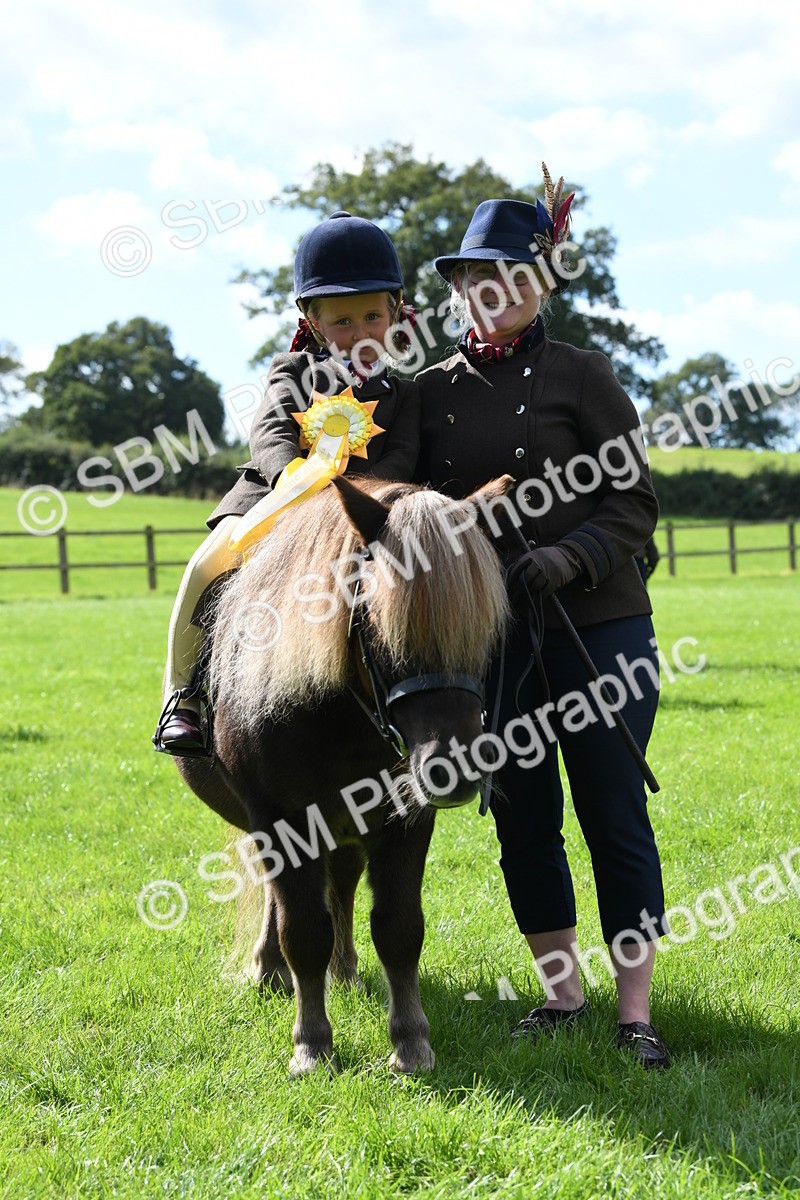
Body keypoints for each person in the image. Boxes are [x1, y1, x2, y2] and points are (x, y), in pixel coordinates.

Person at [414, 168, 670, 1067]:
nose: (495, 295)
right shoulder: (427, 390)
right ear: (456, 291)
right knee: (521, 815)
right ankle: (561, 994)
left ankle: (634, 1012)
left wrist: (571, 556)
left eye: (514, 278)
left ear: (542, 283)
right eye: (477, 281)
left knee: (612, 812)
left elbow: (634, 500)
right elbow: (403, 504)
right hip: (493, 638)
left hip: (599, 628)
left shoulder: (585, 376)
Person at [153, 211, 420, 756]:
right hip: (272, 502)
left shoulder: (407, 394)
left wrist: (349, 498)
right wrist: (292, 481)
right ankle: (185, 697)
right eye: (342, 321)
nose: (360, 332)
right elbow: (272, 430)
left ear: (394, 312)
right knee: (202, 567)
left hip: (364, 514)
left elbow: (402, 457)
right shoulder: (292, 371)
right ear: (314, 320)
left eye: (372, 316)